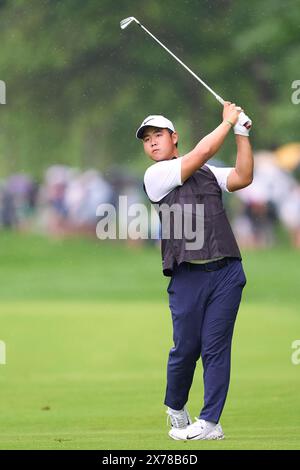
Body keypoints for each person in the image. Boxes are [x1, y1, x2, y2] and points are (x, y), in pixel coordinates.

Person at [136, 103, 253, 441]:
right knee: (185, 348)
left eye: (158, 135)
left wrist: (242, 134)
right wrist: (228, 122)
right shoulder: (155, 175)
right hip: (188, 275)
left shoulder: (209, 173)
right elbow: (203, 151)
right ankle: (175, 406)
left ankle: (211, 422)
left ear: (174, 138)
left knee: (215, 346)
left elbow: (243, 177)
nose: (153, 143)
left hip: (227, 271)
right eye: (147, 139)